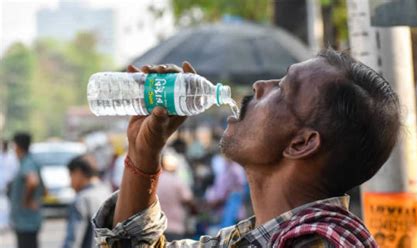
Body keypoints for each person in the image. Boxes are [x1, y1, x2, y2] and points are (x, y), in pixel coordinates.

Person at [93, 49, 400, 247]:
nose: (259, 86)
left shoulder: (324, 241)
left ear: (302, 143)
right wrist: (143, 154)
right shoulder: (255, 238)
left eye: (282, 88)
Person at [63, 154, 111, 248]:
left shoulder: (81, 200)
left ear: (78, 173)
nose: (70, 183)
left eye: (70, 176)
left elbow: (73, 240)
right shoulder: (107, 193)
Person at [9, 132, 44, 248]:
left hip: (26, 221)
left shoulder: (27, 162)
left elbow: (33, 181)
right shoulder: (31, 161)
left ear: (17, 146)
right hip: (28, 220)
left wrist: (27, 201)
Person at [157, 150, 196, 241]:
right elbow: (188, 200)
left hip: (157, 227)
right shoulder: (177, 181)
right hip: (175, 227)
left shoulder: (155, 181)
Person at [0, 139, 18, 230]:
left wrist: (10, 181)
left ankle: (10, 222)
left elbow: (14, 170)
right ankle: (3, 223)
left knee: (10, 203)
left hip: (10, 183)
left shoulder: (11, 157)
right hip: (1, 184)